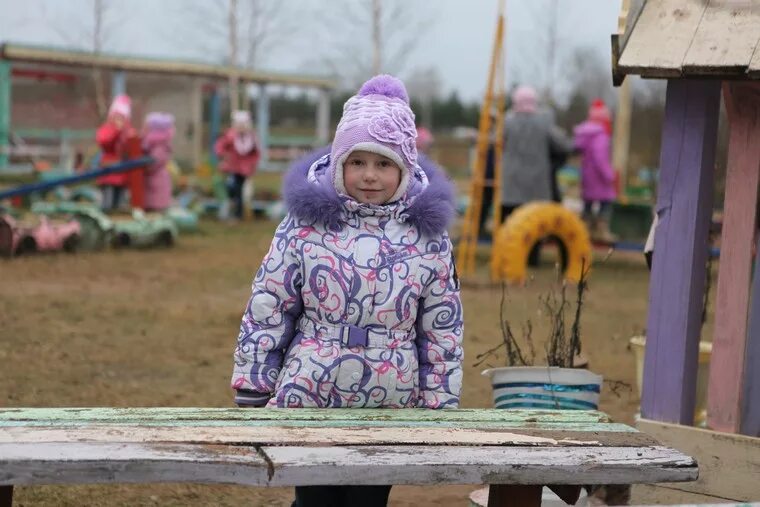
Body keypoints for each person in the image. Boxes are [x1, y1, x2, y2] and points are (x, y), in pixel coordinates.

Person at [230, 75, 463, 507]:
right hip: (311, 390)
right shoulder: (306, 226)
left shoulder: (426, 238)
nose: (369, 176)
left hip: (390, 400)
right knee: (315, 498)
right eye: (357, 162)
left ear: (404, 168)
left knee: (366, 501)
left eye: (383, 163)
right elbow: (270, 302)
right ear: (339, 163)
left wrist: (439, 397)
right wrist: (255, 377)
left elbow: (441, 325)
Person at [501, 85, 573, 264]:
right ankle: (532, 258)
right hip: (537, 184)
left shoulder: (507, 122)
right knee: (534, 223)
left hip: (511, 184)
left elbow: (497, 141)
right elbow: (562, 145)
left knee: (510, 223)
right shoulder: (544, 122)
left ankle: (508, 257)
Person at [573, 99, 618, 243]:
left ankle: (584, 230)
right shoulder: (600, 136)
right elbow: (600, 158)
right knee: (606, 202)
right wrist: (609, 175)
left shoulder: (585, 134)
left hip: (587, 176)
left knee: (587, 204)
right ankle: (601, 231)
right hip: (599, 177)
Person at [214, 110, 260, 220]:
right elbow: (220, 146)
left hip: (245, 169)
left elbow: (256, 152)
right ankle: (235, 209)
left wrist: (253, 164)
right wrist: (223, 156)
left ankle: (238, 213)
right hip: (232, 167)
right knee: (233, 188)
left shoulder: (251, 138)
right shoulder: (230, 136)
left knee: (241, 191)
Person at [96, 95, 134, 211]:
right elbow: (104, 142)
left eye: (122, 118)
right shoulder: (107, 129)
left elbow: (131, 148)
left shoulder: (128, 131)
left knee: (120, 203)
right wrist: (116, 131)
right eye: (117, 117)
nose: (119, 121)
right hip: (109, 171)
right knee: (107, 202)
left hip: (122, 173)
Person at [141, 112, 175, 212]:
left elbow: (154, 162)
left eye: (147, 126)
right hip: (152, 181)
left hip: (156, 182)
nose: (144, 128)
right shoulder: (150, 144)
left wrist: (144, 166)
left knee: (155, 208)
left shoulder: (159, 146)